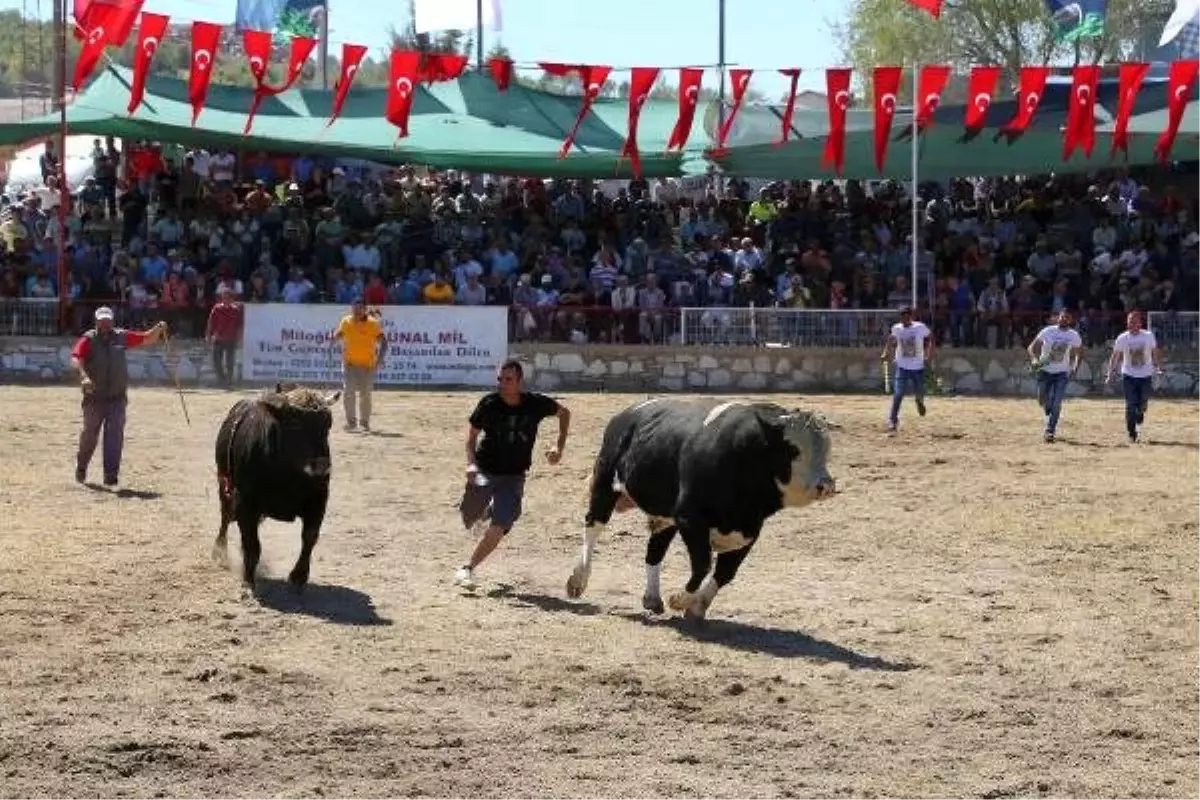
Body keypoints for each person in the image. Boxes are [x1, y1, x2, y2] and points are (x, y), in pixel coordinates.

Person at [454, 360, 571, 590]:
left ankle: (467, 568)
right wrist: (471, 465)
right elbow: (471, 439)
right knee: (469, 517)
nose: (502, 384)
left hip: (514, 476)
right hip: (485, 472)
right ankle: (487, 508)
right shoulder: (488, 404)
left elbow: (564, 413)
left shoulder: (535, 404)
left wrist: (559, 446)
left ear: (519, 381)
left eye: (508, 380)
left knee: (501, 525)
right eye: (500, 379)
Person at [70, 306, 168, 486]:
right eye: (101, 321)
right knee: (90, 434)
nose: (105, 324)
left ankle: (110, 474)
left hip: (117, 396)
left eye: (108, 320)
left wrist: (158, 329)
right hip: (94, 397)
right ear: (96, 321)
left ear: (112, 321)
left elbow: (147, 338)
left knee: (115, 435)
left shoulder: (121, 336)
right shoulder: (88, 339)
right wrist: (84, 377)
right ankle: (82, 466)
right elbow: (76, 358)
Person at [1106, 311, 1165, 444]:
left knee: (1142, 402)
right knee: (1130, 404)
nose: (1132, 324)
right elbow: (1115, 356)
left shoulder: (1148, 336)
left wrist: (1159, 367)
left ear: (1140, 323)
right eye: (1130, 321)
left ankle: (1140, 414)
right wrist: (1110, 374)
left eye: (1135, 321)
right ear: (1127, 323)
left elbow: (1155, 352)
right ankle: (1132, 433)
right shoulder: (1122, 338)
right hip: (1129, 375)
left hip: (1146, 375)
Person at [1027, 309, 1083, 443]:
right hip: (1044, 370)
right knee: (1042, 400)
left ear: (1071, 321)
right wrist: (1034, 360)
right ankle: (1048, 411)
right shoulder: (1047, 331)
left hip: (1061, 373)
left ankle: (1050, 431)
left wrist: (1075, 368)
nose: (1064, 320)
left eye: (1067, 318)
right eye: (1063, 317)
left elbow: (1079, 354)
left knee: (1057, 403)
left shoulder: (1074, 335)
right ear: (1058, 318)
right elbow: (1031, 347)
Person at [332, 300, 386, 432]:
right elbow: (340, 333)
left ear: (365, 310)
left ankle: (364, 422)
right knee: (348, 391)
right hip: (349, 363)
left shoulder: (373, 324)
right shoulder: (346, 321)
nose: (356, 311)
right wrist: (334, 338)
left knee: (365, 394)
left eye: (359, 309)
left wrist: (379, 360)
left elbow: (384, 343)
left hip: (368, 365)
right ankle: (351, 422)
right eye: (354, 309)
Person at [880, 306, 934, 434]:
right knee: (898, 394)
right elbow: (890, 339)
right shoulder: (896, 328)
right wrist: (885, 352)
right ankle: (893, 421)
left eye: (907, 317)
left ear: (911, 317)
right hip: (902, 367)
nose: (904, 320)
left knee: (920, 391)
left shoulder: (920, 327)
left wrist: (930, 355)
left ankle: (919, 401)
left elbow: (931, 338)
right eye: (902, 317)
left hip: (918, 367)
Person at [205, 286, 242, 388]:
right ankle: (222, 380)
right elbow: (211, 323)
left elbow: (239, 325)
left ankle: (229, 381)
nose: (225, 300)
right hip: (219, 338)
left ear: (231, 299)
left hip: (231, 339)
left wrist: (239, 338)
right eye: (223, 297)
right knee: (216, 361)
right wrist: (208, 335)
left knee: (230, 362)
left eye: (227, 298)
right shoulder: (217, 308)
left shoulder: (235, 310)